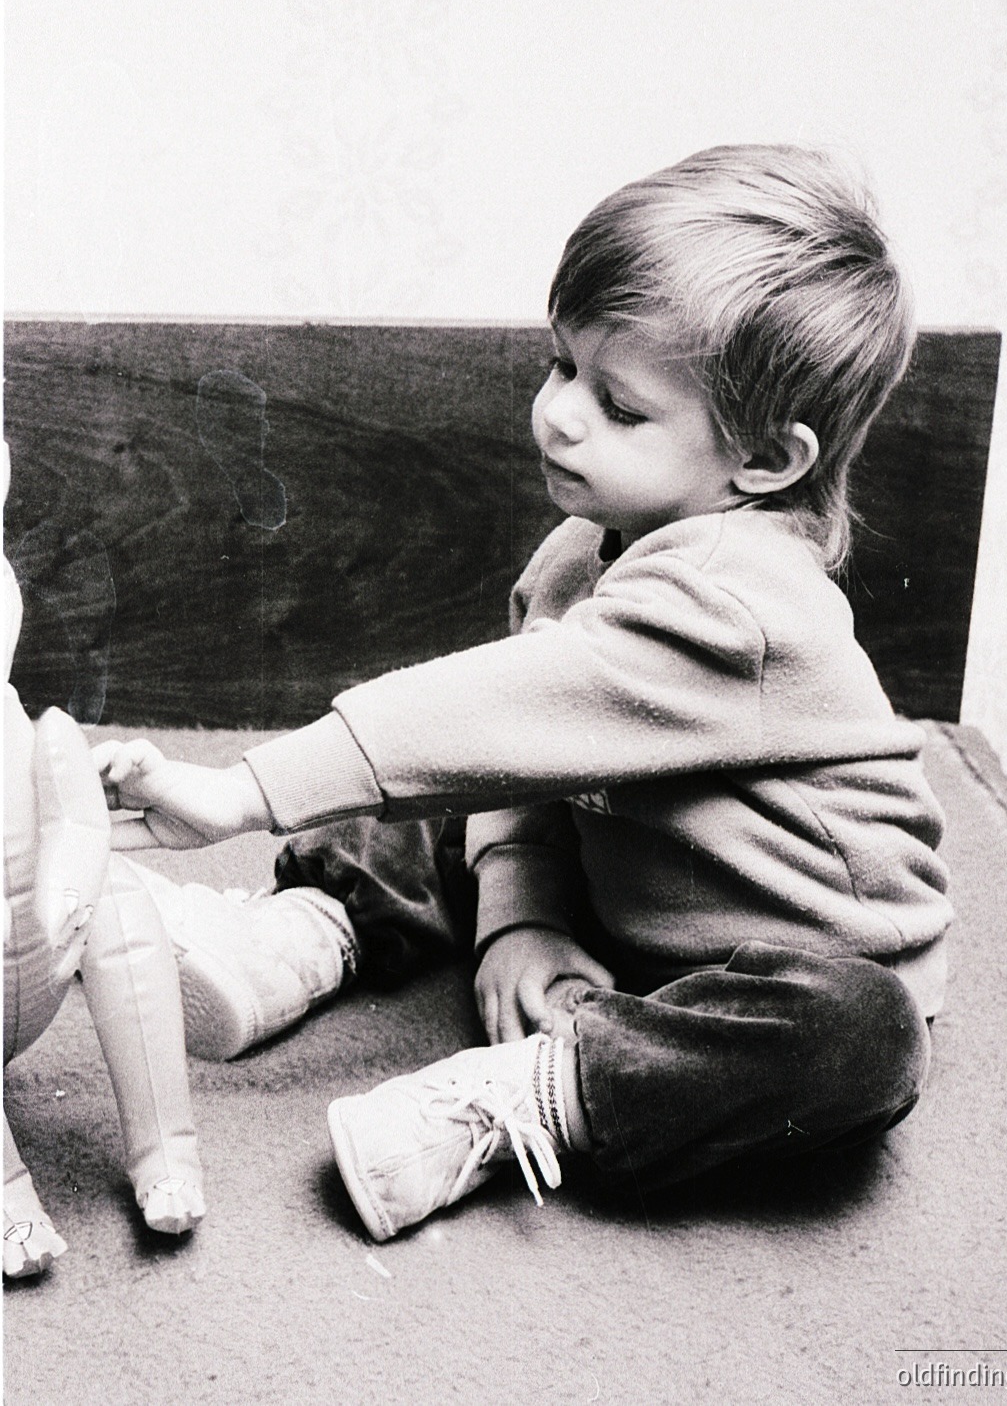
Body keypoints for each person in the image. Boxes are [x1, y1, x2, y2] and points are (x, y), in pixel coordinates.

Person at [98, 145, 952, 1241]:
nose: (557, 416)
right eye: (560, 367)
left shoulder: (742, 605)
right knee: (432, 783)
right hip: (620, 876)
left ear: (764, 462)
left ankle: (538, 1096)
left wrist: (245, 790)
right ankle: (303, 933)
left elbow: (500, 710)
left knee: (859, 1043)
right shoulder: (579, 555)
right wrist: (520, 915)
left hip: (775, 957)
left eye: (618, 405)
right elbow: (514, 754)